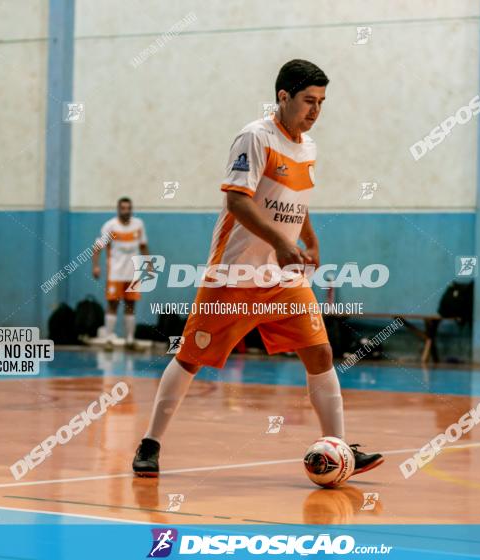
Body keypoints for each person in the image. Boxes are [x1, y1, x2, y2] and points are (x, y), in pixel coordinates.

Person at [131, 59, 383, 477]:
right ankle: (150, 443)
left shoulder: (308, 146)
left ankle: (338, 447)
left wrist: (310, 238)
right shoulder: (254, 137)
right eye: (308, 101)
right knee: (192, 357)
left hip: (283, 276)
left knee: (320, 353)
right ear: (283, 97)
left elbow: (295, 200)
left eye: (321, 102)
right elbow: (238, 201)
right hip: (236, 272)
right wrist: (282, 242)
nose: (315, 111)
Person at [92, 197, 149, 346]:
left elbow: (143, 246)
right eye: (123, 208)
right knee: (112, 304)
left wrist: (149, 263)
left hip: (133, 274)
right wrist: (95, 266)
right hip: (115, 273)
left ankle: (130, 339)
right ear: (118, 209)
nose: (126, 211)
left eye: (129, 208)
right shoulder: (110, 227)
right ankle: (109, 338)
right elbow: (97, 248)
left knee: (131, 305)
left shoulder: (138, 225)